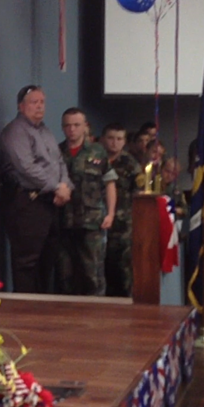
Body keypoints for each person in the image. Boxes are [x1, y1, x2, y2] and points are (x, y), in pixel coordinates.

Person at [0, 85, 72, 293]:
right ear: (21, 107)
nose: (39, 106)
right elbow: (26, 167)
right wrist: (56, 187)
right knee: (27, 263)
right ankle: (26, 312)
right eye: (34, 102)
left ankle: (42, 308)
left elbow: (59, 162)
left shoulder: (46, 131)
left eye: (42, 102)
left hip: (50, 202)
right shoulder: (16, 131)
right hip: (27, 203)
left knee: (46, 261)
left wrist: (64, 186)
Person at [58, 108, 117, 296]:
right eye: (67, 125)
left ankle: (98, 316)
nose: (72, 130)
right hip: (64, 222)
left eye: (76, 125)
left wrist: (111, 213)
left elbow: (109, 183)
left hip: (92, 222)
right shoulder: (57, 152)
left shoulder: (97, 151)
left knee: (93, 274)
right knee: (65, 275)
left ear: (85, 127)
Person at [101, 123, 142, 297]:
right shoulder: (95, 159)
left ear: (124, 142)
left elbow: (139, 194)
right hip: (97, 221)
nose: (114, 143)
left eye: (119, 139)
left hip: (123, 225)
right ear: (103, 139)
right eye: (110, 138)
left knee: (123, 269)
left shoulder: (131, 164)